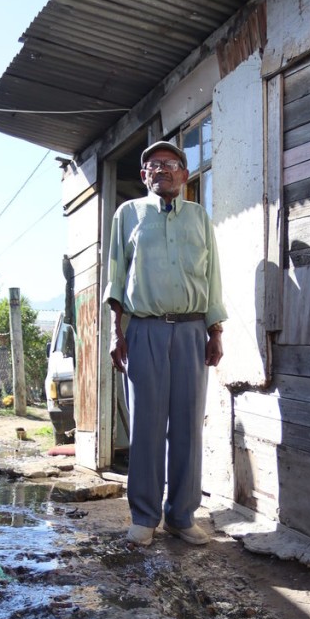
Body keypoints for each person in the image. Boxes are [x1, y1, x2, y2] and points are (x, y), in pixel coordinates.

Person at [103, 140, 227, 547]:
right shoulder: (128, 215)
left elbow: (212, 278)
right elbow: (116, 275)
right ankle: (144, 517)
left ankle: (181, 515)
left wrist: (216, 330)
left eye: (172, 164)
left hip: (192, 331)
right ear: (145, 176)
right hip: (145, 329)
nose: (163, 171)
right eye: (154, 165)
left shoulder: (199, 218)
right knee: (147, 427)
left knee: (189, 427)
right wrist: (115, 330)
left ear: (184, 174)